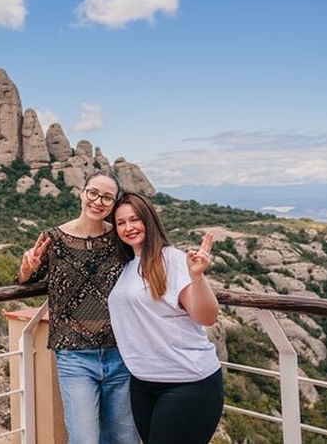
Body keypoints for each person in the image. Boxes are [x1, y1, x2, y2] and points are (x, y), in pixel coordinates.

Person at [16, 170, 139, 444]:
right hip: (74, 357)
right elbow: (26, 278)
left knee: (124, 439)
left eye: (107, 197)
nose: (98, 201)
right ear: (82, 193)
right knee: (84, 439)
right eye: (93, 193)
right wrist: (27, 269)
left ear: (114, 203)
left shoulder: (120, 239)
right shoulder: (54, 239)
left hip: (120, 353)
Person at [109, 192, 223, 444]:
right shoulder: (127, 266)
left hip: (187, 382)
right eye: (121, 222)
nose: (128, 227)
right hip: (144, 384)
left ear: (149, 220)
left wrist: (197, 277)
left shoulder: (172, 259)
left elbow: (207, 316)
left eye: (135, 219)